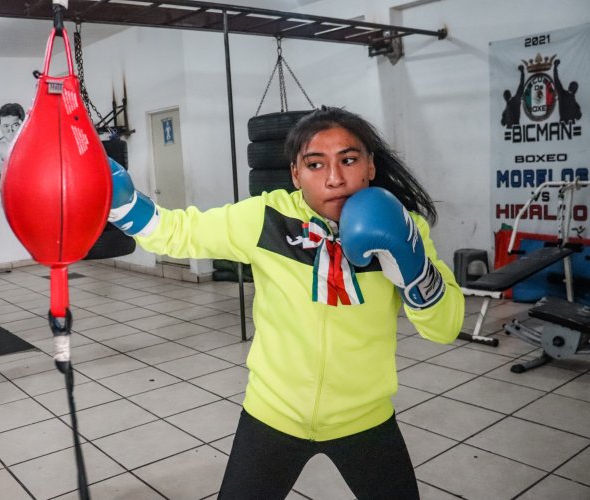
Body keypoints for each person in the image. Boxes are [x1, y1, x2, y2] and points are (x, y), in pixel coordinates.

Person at [108, 106, 464, 499]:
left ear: (370, 167)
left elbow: (444, 328)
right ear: (296, 174)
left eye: (348, 160)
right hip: (272, 414)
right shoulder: (267, 219)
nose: (334, 178)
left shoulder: (406, 226)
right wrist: (125, 204)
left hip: (365, 418)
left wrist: (416, 268)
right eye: (315, 164)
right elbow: (180, 232)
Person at [0, 103, 25, 191]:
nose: (10, 129)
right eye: (5, 126)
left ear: (23, 122)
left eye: (15, 125)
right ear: (0, 125)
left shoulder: (34, 144)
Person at [553, 59, 582, 124]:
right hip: (566, 126)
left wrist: (555, 67)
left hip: (565, 126)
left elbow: (556, 80)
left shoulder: (562, 94)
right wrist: (555, 68)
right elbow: (578, 116)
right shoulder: (564, 94)